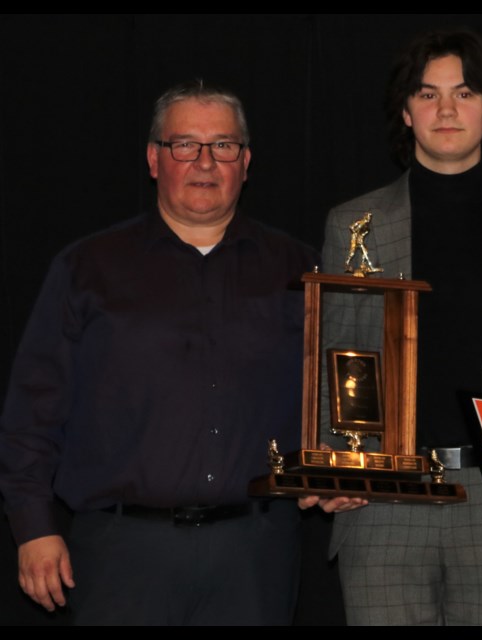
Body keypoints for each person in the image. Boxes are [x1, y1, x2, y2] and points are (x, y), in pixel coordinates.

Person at [0, 81, 319, 625]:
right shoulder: (87, 268)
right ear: (154, 158)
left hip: (255, 555)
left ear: (245, 161)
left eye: (222, 146)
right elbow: (33, 410)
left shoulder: (301, 272)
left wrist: (335, 471)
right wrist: (33, 526)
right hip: (122, 554)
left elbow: (337, 396)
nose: (204, 162)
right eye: (184, 145)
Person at [300, 29, 482, 626]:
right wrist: (332, 461)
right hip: (382, 496)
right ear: (407, 113)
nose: (447, 109)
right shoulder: (355, 223)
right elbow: (332, 360)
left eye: (463, 92)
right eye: (428, 95)